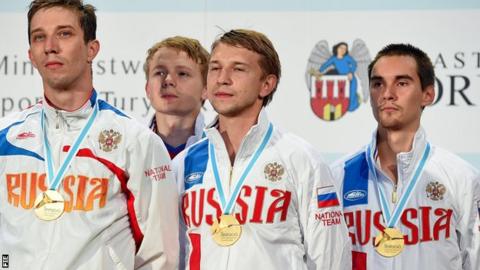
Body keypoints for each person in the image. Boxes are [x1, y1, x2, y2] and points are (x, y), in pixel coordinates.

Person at [0, 1, 178, 269]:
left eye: (64, 33)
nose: (50, 46)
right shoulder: (5, 137)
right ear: (30, 55)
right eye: (39, 37)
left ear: (91, 49)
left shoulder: (136, 141)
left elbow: (158, 256)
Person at [174, 29, 351, 270]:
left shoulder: (300, 159)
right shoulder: (183, 164)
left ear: (266, 84)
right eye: (215, 68)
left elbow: (331, 259)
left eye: (238, 69)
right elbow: (173, 256)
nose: (222, 78)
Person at [331, 43, 480, 270]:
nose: (387, 94)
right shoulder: (337, 175)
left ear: (427, 94)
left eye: (402, 83)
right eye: (377, 84)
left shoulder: (461, 177)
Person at [143, 36, 209, 159]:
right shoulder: (128, 150)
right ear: (147, 88)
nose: (168, 80)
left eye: (182, 73)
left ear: (206, 88)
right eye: (160, 73)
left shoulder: (222, 153)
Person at [319, 42, 359, 111]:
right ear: (337, 48)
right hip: (341, 80)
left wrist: (351, 72)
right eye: (341, 48)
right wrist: (319, 71)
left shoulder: (347, 57)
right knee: (341, 94)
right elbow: (325, 65)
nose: (343, 50)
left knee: (351, 95)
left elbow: (354, 64)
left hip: (350, 78)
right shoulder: (333, 59)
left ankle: (350, 106)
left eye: (345, 49)